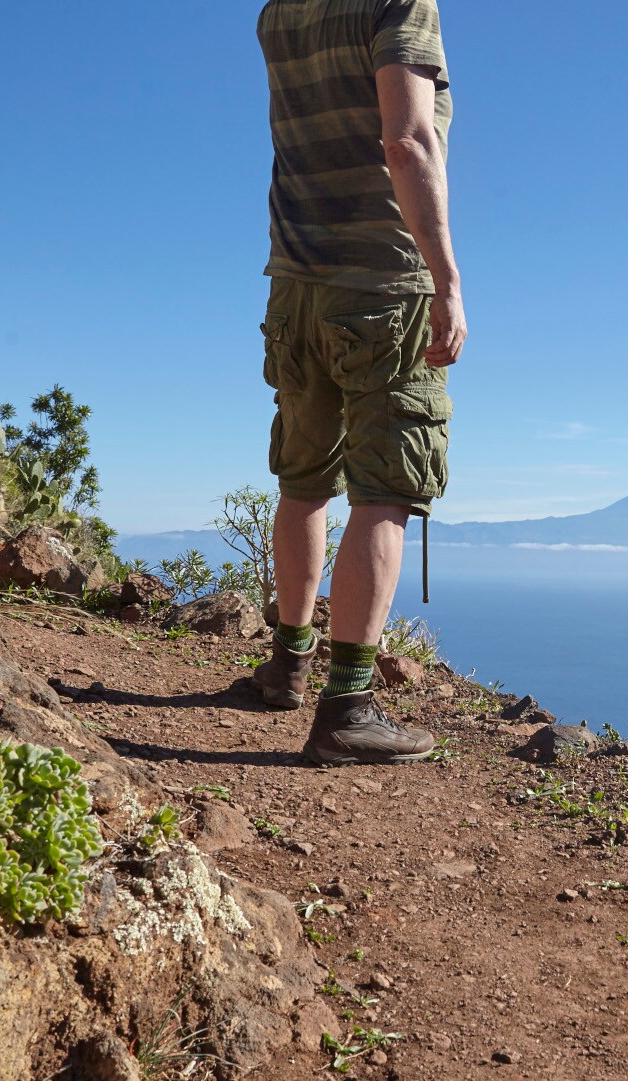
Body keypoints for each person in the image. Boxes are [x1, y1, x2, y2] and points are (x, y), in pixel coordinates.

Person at [246, 0, 465, 766]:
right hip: (380, 286)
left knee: (304, 480)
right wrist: (445, 278)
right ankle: (348, 707)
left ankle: (286, 665)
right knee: (385, 489)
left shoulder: (281, 11)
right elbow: (406, 142)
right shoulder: (397, 4)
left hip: (293, 283)